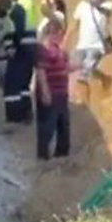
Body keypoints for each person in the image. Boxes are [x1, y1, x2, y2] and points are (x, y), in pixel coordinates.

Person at [67, 0, 112, 104]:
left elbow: (106, 13)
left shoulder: (108, 5)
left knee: (84, 75)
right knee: (76, 69)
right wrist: (66, 39)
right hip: (81, 45)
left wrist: (95, 4)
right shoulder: (82, 5)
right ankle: (105, 79)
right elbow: (75, 24)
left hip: (97, 46)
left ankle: (84, 102)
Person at [5, 0, 41, 124]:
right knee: (25, 82)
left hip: (21, 45)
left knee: (13, 81)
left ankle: (15, 115)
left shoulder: (20, 5)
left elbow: (17, 26)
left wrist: (12, 45)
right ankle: (27, 112)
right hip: (31, 45)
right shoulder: (31, 4)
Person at [35, 18, 72, 161]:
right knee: (48, 125)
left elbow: (65, 67)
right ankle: (43, 155)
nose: (62, 37)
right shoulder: (44, 50)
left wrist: (79, 65)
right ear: (53, 33)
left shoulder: (58, 50)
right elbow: (41, 71)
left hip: (61, 92)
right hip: (51, 92)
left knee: (63, 124)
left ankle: (61, 153)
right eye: (60, 34)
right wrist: (45, 92)